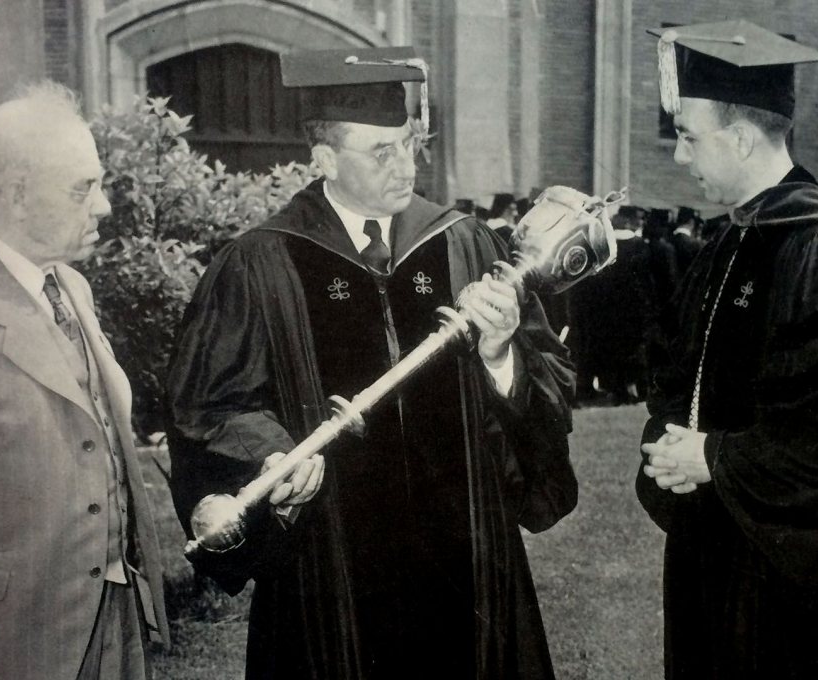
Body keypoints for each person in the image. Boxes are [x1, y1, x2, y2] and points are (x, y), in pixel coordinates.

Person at [166, 47, 578, 680]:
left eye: (409, 143)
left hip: (464, 560)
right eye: (380, 152)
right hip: (332, 571)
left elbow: (547, 370)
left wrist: (500, 357)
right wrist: (272, 454)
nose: (405, 166)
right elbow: (209, 406)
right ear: (324, 158)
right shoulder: (261, 263)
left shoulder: (462, 241)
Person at [636, 20, 818, 679]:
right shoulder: (731, 240)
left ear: (736, 137)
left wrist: (712, 457)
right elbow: (679, 377)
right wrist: (670, 448)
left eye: (690, 137)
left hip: (781, 568)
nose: (681, 157)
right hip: (714, 538)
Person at [0, 82, 169, 679]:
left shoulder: (71, 287)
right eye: (83, 188)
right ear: (19, 196)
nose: (102, 206)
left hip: (114, 615)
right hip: (10, 642)